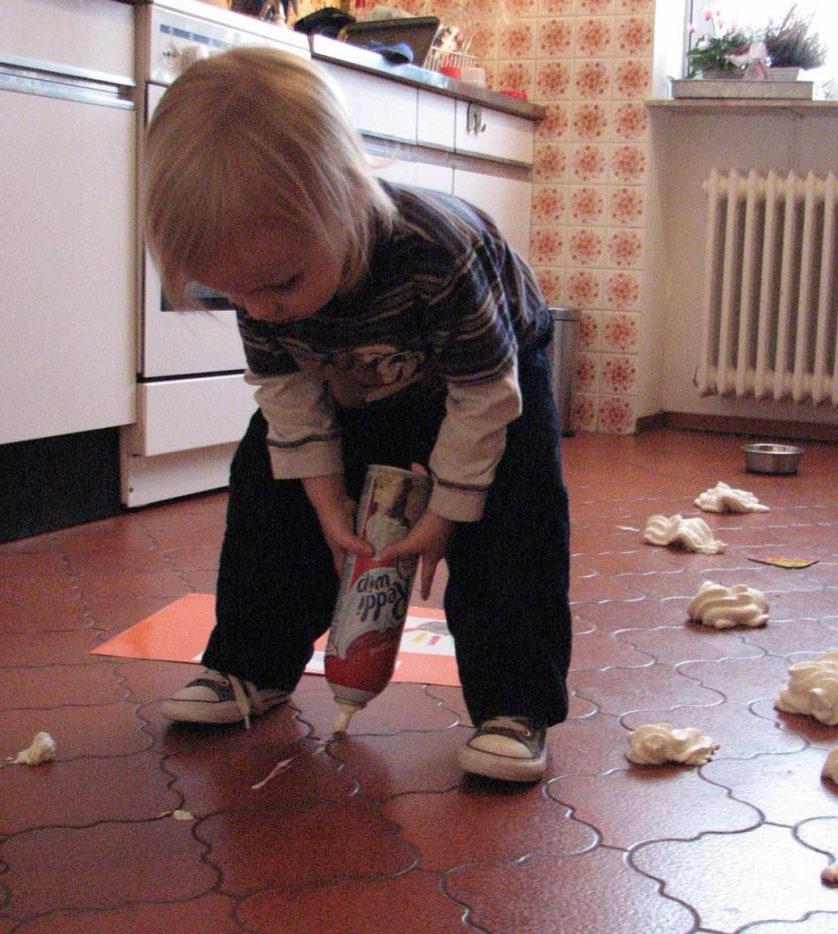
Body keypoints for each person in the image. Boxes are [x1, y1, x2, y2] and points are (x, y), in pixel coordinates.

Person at [144, 46, 571, 783]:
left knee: (514, 521)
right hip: (348, 383)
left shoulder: (441, 250)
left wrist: (448, 510)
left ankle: (515, 702)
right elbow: (287, 399)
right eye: (234, 294)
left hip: (485, 386)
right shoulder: (262, 281)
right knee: (264, 486)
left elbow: (484, 396)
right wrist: (323, 501)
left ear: (346, 201)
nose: (260, 308)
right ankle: (250, 663)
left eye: (279, 283)